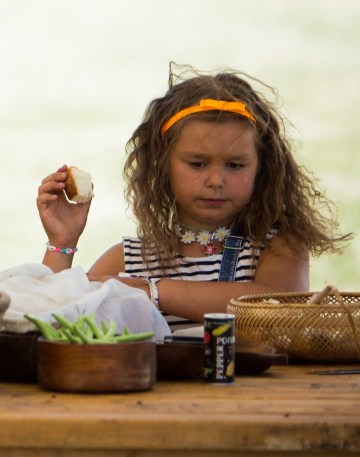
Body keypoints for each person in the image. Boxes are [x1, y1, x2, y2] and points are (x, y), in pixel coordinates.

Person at [35, 66, 350, 330]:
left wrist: (153, 291)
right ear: (162, 166)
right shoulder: (127, 261)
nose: (216, 180)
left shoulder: (278, 246)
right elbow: (56, 318)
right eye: (197, 164)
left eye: (235, 165)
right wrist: (61, 243)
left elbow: (275, 306)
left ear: (262, 167)